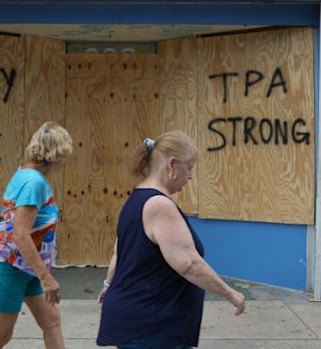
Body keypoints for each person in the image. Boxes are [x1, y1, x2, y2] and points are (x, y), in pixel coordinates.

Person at [96, 131, 245, 349]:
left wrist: (109, 285)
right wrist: (230, 293)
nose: (191, 176)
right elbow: (189, 264)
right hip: (153, 327)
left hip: (143, 323)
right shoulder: (159, 205)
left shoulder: (136, 199)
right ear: (172, 165)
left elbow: (120, 253)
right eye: (190, 167)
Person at [0, 121, 73, 349]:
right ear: (55, 154)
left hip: (25, 267)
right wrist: (46, 277)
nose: (64, 162)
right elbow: (20, 234)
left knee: (51, 322)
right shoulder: (33, 182)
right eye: (64, 155)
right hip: (8, 266)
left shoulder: (30, 177)